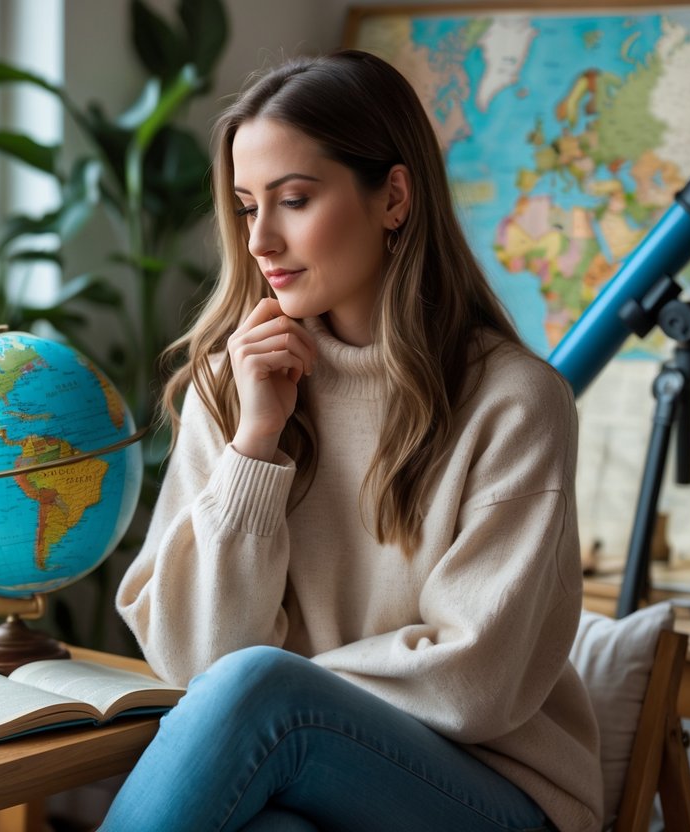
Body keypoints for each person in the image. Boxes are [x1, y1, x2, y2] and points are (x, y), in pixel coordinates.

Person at [101, 50, 602, 832]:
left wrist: (286, 690)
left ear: (393, 197)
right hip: (300, 768)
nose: (261, 239)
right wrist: (255, 444)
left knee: (257, 691)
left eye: (293, 199)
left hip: (494, 791)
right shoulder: (236, 384)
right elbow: (196, 659)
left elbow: (471, 681)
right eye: (243, 206)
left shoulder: (514, 402)